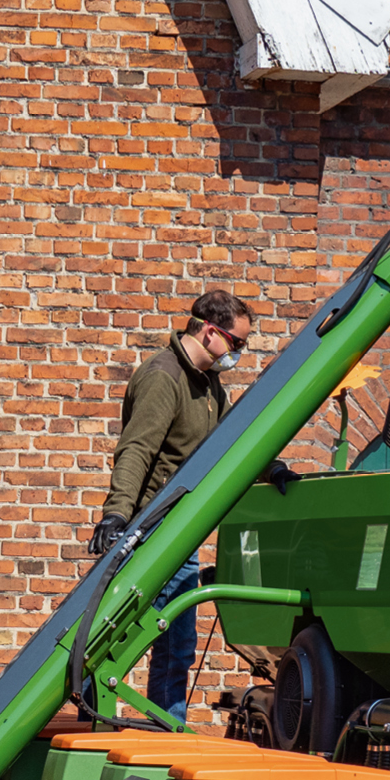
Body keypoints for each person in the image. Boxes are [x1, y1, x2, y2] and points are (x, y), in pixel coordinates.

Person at [90, 290, 289, 723]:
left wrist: (272, 469)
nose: (239, 353)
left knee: (175, 644)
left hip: (181, 531)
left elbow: (235, 440)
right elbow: (137, 449)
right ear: (210, 332)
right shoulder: (164, 377)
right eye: (236, 343)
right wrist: (117, 514)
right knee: (125, 639)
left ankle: (164, 725)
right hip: (151, 530)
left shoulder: (209, 385)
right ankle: (122, 721)